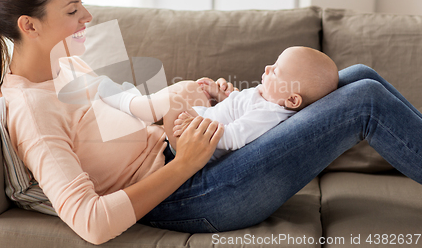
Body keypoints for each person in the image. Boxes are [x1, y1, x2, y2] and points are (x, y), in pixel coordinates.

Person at [0, 0, 422, 245]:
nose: (88, 15)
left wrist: (178, 102)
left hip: (187, 155)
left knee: (356, 75)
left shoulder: (66, 63)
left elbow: (123, 108)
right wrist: (185, 163)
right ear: (29, 26)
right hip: (191, 193)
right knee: (363, 101)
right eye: (72, 10)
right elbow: (90, 223)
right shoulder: (33, 110)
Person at [97, 46, 339, 161]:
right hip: (202, 123)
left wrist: (197, 125)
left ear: (292, 100)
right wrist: (222, 96)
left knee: (179, 96)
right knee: (192, 89)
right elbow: (238, 107)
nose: (268, 68)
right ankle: (138, 106)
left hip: (194, 146)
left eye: (276, 71)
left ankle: (126, 102)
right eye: (273, 62)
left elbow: (234, 136)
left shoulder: (269, 114)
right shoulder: (268, 97)